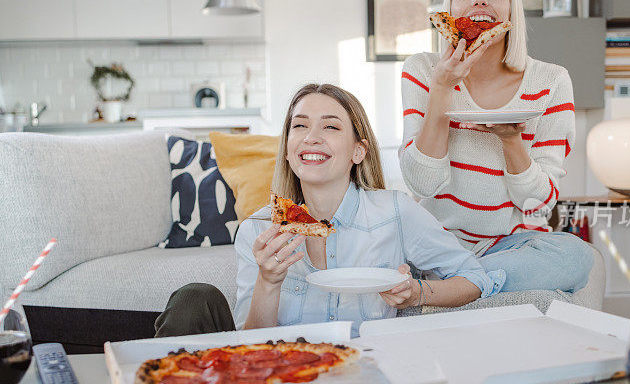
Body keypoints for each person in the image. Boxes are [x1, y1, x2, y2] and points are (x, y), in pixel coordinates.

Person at [154, 83, 505, 337]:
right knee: (193, 297)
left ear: (358, 151)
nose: (311, 136)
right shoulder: (259, 230)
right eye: (300, 126)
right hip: (286, 375)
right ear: (289, 150)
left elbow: (474, 278)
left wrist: (415, 292)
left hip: (363, 371)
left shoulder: (395, 211)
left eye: (331, 126)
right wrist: (269, 280)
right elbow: (251, 341)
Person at [398, 0, 593, 295]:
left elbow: (540, 204)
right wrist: (442, 87)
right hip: (432, 243)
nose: (479, 1)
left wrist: (511, 141)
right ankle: (464, 283)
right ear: (450, 10)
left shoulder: (551, 81)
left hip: (505, 247)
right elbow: (422, 184)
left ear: (510, 8)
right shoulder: (423, 71)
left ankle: (448, 287)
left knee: (576, 256)